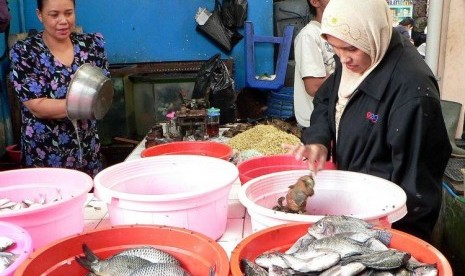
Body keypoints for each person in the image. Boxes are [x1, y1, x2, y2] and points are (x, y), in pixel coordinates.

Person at [284, 0, 451, 242]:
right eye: (335, 49)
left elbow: (418, 193)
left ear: (373, 33)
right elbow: (325, 101)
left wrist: (398, 247)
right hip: (355, 209)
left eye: (350, 49)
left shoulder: (413, 93)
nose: (343, 60)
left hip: (385, 224)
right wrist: (319, 140)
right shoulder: (360, 55)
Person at [9, 0, 110, 178]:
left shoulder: (92, 45)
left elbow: (102, 91)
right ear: (40, 15)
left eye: (69, 13)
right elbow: (37, 106)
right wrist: (86, 105)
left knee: (88, 201)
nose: (63, 21)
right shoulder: (26, 52)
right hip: (45, 152)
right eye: (54, 15)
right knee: (51, 198)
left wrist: (95, 102)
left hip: (86, 149)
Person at [293, 0, 335, 130]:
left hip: (334, 120)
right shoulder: (309, 36)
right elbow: (314, 87)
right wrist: (346, 70)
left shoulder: (337, 34)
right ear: (315, 2)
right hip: (316, 124)